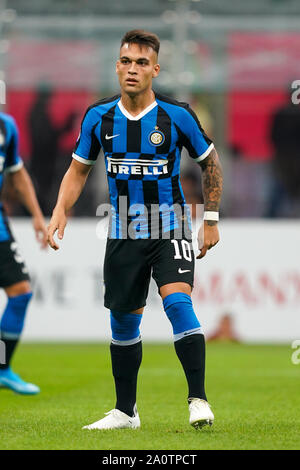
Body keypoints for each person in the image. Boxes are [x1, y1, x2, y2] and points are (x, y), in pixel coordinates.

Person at [47, 30, 223, 430]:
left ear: (155, 70)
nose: (132, 69)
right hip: (123, 228)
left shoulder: (177, 116)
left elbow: (210, 163)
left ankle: (198, 400)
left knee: (178, 302)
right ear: (117, 66)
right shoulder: (99, 116)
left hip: (171, 225)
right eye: (126, 61)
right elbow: (78, 170)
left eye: (142, 63)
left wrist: (210, 219)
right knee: (124, 322)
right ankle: (126, 413)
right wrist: (59, 209)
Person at [0, 111, 47, 394]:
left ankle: (3, 369)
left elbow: (17, 172)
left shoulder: (7, 126)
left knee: (21, 292)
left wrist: (37, 215)